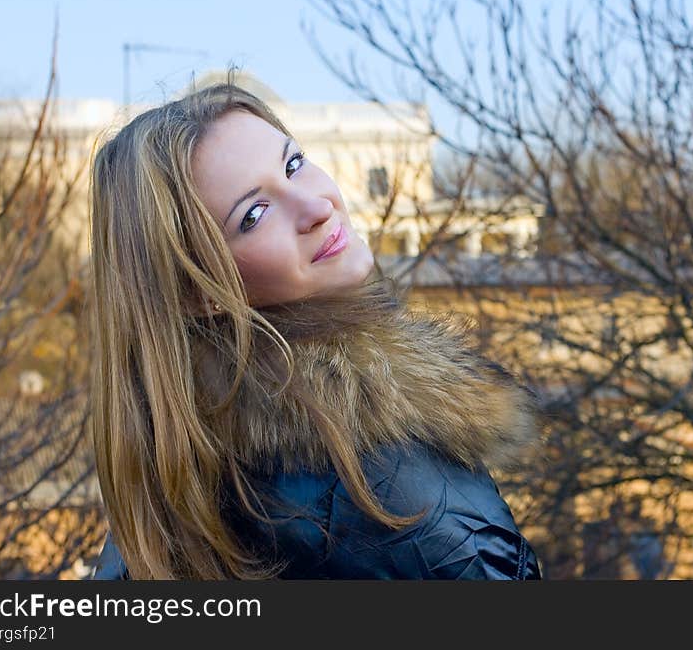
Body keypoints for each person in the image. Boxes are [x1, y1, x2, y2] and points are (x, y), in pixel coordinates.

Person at [88, 70, 545, 580]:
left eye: (295, 163)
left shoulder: (172, 468)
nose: (317, 207)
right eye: (255, 214)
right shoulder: (385, 476)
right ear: (197, 293)